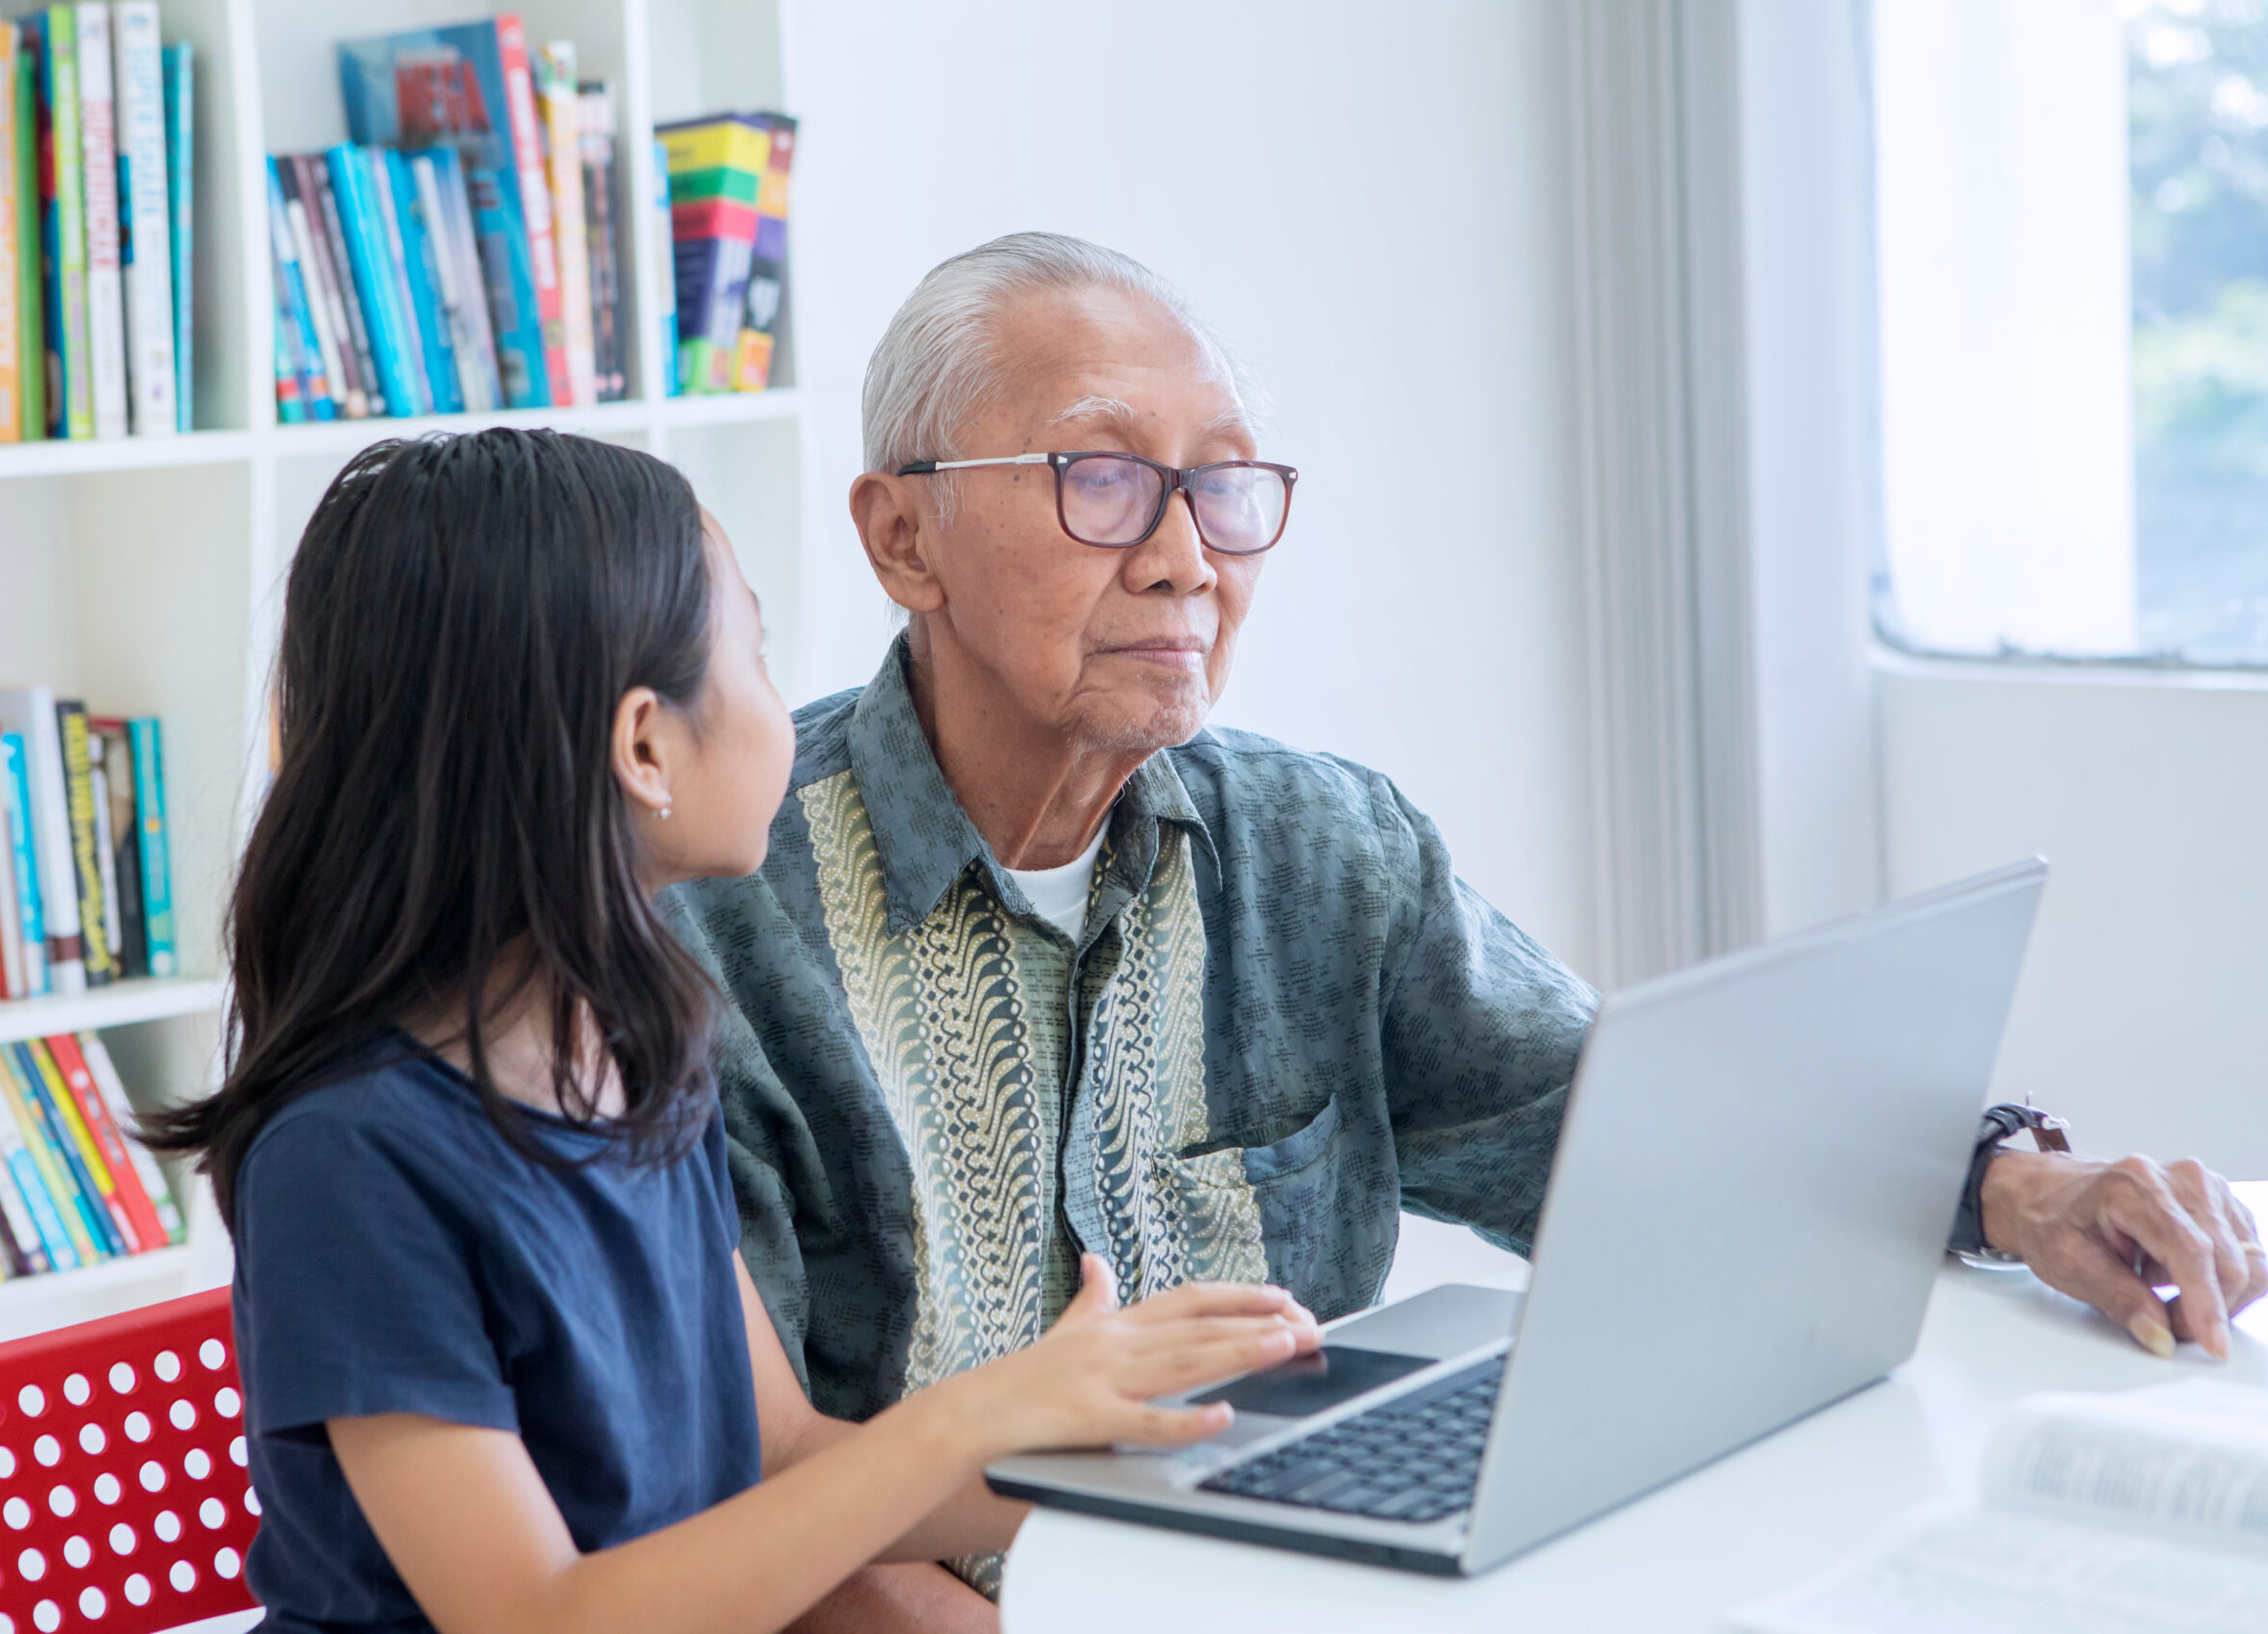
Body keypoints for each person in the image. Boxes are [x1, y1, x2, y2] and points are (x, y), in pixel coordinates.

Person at [660, 233, 2268, 1631]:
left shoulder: (1322, 848)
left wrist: (2022, 1183)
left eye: (1223, 483)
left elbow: (1639, 1136)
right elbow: (741, 1512)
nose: (1186, 556)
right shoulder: (706, 923)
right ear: (901, 538)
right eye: (1100, 480)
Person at [145, 429, 1323, 1634]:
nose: (782, 702)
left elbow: (786, 1461)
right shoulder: (350, 1161)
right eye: (754, 655)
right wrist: (972, 1418)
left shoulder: (636, 1055)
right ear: (646, 747)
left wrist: (1162, 1468)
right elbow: (537, 1618)